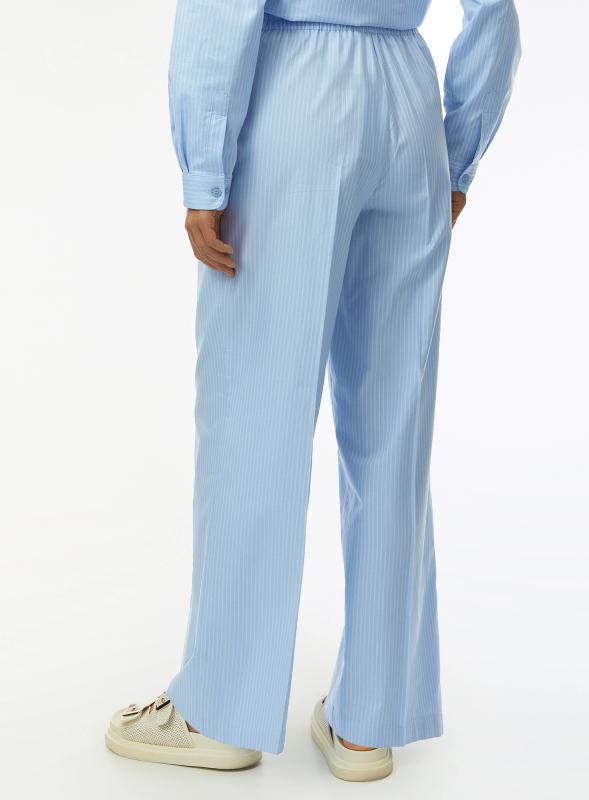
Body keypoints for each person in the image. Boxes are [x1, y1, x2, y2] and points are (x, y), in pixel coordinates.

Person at [105, 0, 521, 782]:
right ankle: (368, 722)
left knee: (254, 415)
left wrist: (204, 170)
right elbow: (493, 10)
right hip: (407, 96)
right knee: (393, 426)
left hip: (293, 93)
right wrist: (456, 152)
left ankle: (219, 712)